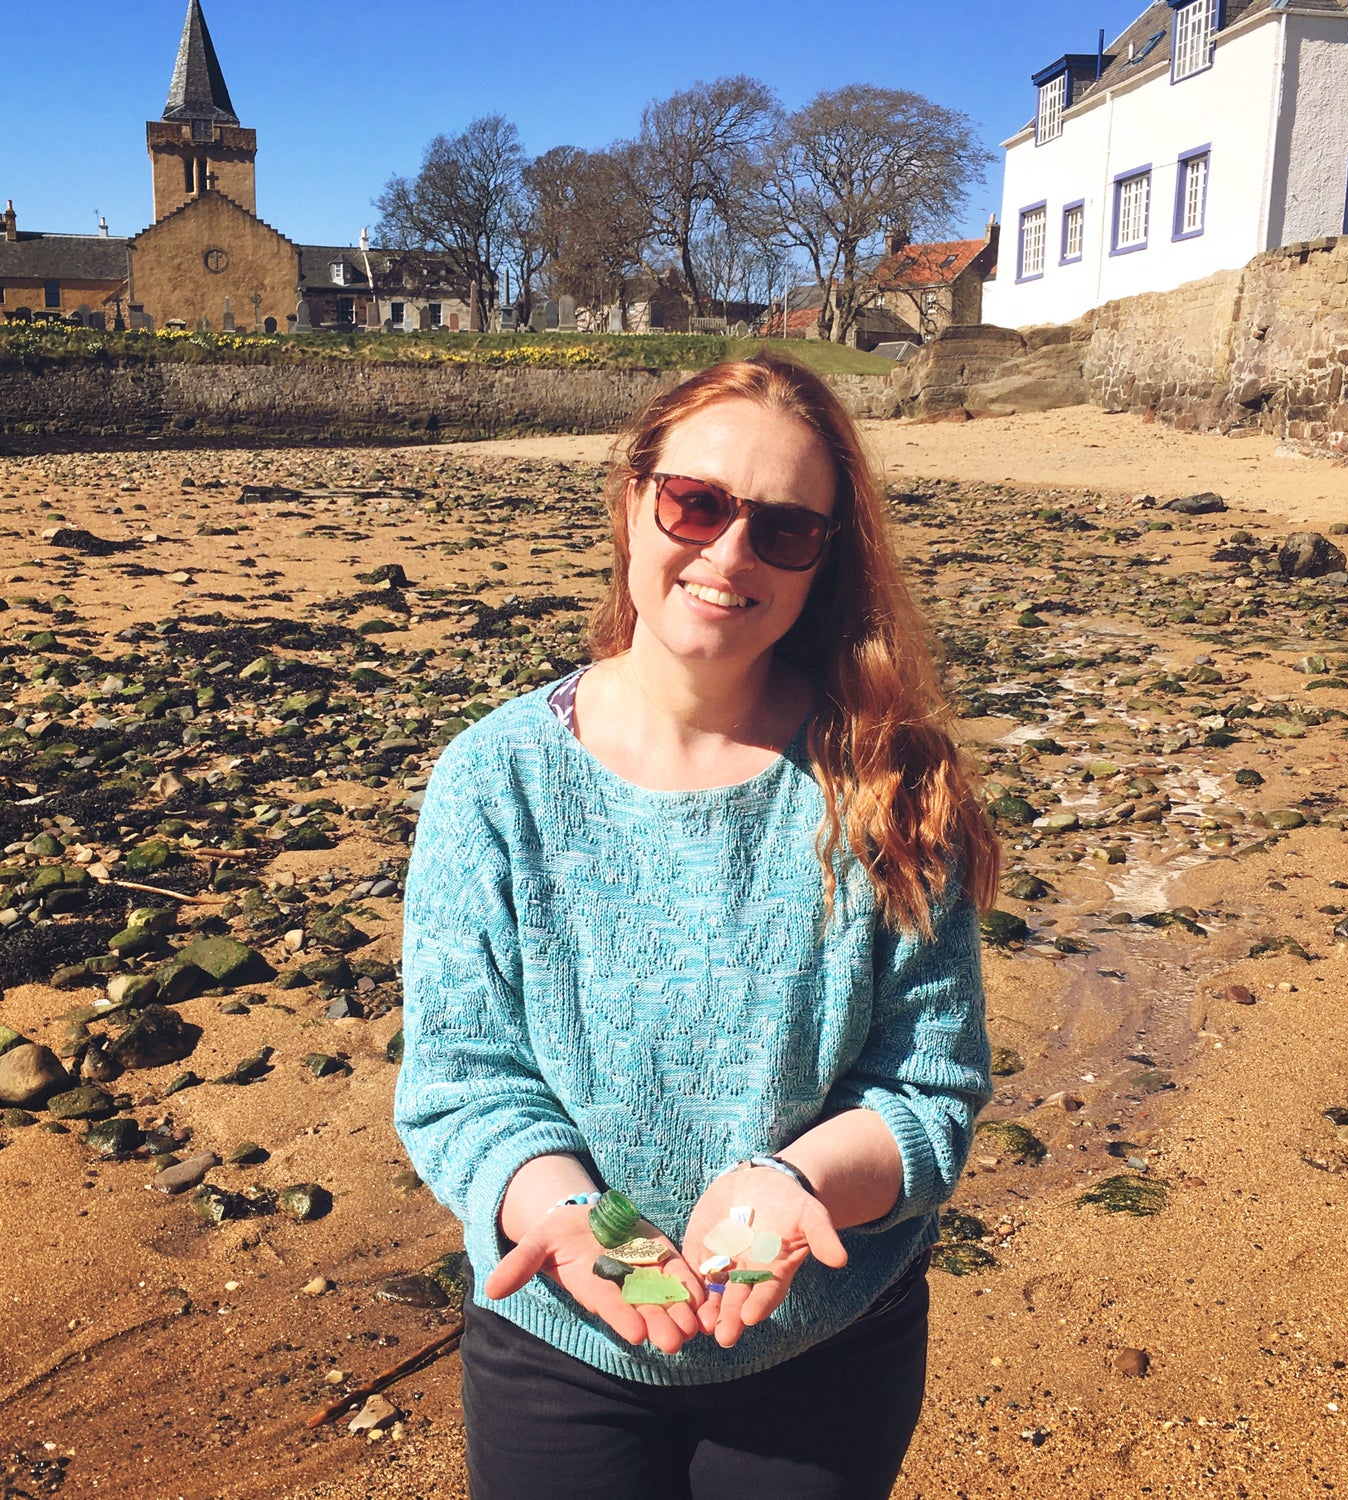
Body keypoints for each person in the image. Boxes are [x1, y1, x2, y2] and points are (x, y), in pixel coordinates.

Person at [396, 352, 1002, 1499]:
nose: (729, 554)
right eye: (697, 503)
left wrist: (798, 1182)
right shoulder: (495, 781)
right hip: (561, 1344)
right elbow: (463, 1080)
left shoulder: (887, 780)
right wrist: (579, 1210)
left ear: (825, 562)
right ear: (634, 501)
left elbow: (931, 1086)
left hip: (824, 1347)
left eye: (783, 529)